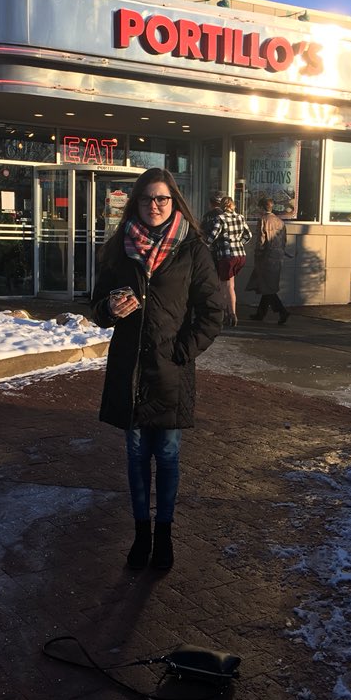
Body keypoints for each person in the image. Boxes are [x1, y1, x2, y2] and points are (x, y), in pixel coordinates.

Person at [90, 168, 223, 571]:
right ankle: (141, 534)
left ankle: (163, 535)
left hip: (170, 371)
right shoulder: (119, 248)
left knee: (166, 455)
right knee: (135, 456)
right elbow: (96, 306)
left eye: (162, 198)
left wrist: (183, 351)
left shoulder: (193, 249)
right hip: (130, 369)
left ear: (174, 201)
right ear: (137, 202)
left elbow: (212, 312)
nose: (155, 205)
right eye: (148, 198)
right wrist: (109, 309)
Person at [203, 195, 252, 326]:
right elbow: (249, 235)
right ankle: (231, 312)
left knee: (225, 286)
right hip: (240, 255)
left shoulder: (221, 218)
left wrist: (205, 246)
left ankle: (229, 314)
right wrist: (238, 243)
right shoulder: (240, 217)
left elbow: (212, 237)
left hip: (227, 255)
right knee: (231, 285)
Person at [249, 198, 289, 324]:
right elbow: (284, 240)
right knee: (267, 285)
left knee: (267, 286)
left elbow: (261, 240)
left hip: (266, 256)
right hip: (278, 256)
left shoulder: (263, 220)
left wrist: (258, 253)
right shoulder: (280, 221)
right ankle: (260, 313)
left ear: (262, 208)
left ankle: (282, 310)